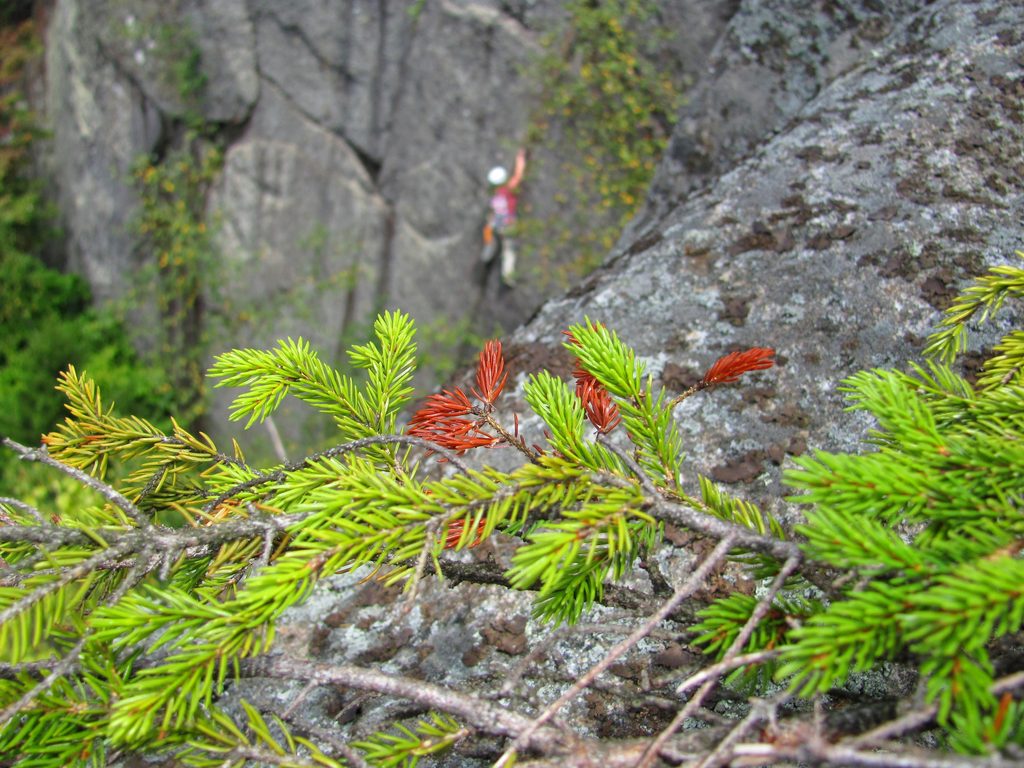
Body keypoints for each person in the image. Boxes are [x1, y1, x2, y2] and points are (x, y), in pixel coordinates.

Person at [481, 148, 527, 287]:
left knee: (494, 242)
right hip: (508, 224)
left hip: (496, 225)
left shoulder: (494, 195)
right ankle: (508, 276)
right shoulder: (507, 190)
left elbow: (492, 213)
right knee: (509, 250)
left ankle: (488, 253)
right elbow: (518, 176)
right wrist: (521, 158)